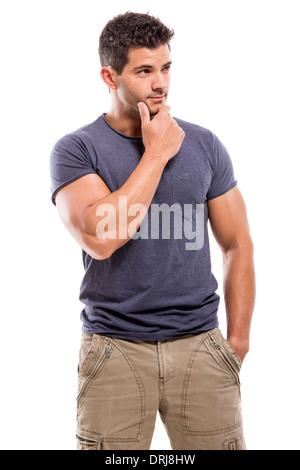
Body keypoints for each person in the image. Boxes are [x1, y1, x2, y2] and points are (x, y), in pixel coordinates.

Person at [50, 11, 255, 450]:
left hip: (201, 345)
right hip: (115, 349)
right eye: (144, 71)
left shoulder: (204, 145)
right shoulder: (77, 150)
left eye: (165, 68)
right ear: (110, 75)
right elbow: (102, 238)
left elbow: (237, 243)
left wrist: (235, 343)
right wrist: (156, 154)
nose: (160, 83)